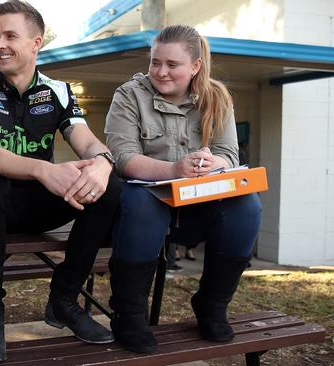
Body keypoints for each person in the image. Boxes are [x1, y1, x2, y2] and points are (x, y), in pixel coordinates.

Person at [0, 0, 120, 362]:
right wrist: (44, 169)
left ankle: (63, 299)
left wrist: (104, 163)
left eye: (10, 35)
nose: (0, 44)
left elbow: (86, 141)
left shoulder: (58, 91)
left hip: (39, 203)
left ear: (36, 43)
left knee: (108, 188)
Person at [104, 24, 262, 354]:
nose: (160, 72)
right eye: (155, 62)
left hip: (197, 204)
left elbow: (229, 155)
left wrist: (211, 161)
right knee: (142, 200)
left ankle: (212, 305)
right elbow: (123, 157)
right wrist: (174, 170)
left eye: (172, 65)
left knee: (246, 205)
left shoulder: (216, 97)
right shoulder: (129, 95)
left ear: (195, 66)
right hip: (140, 210)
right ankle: (129, 314)